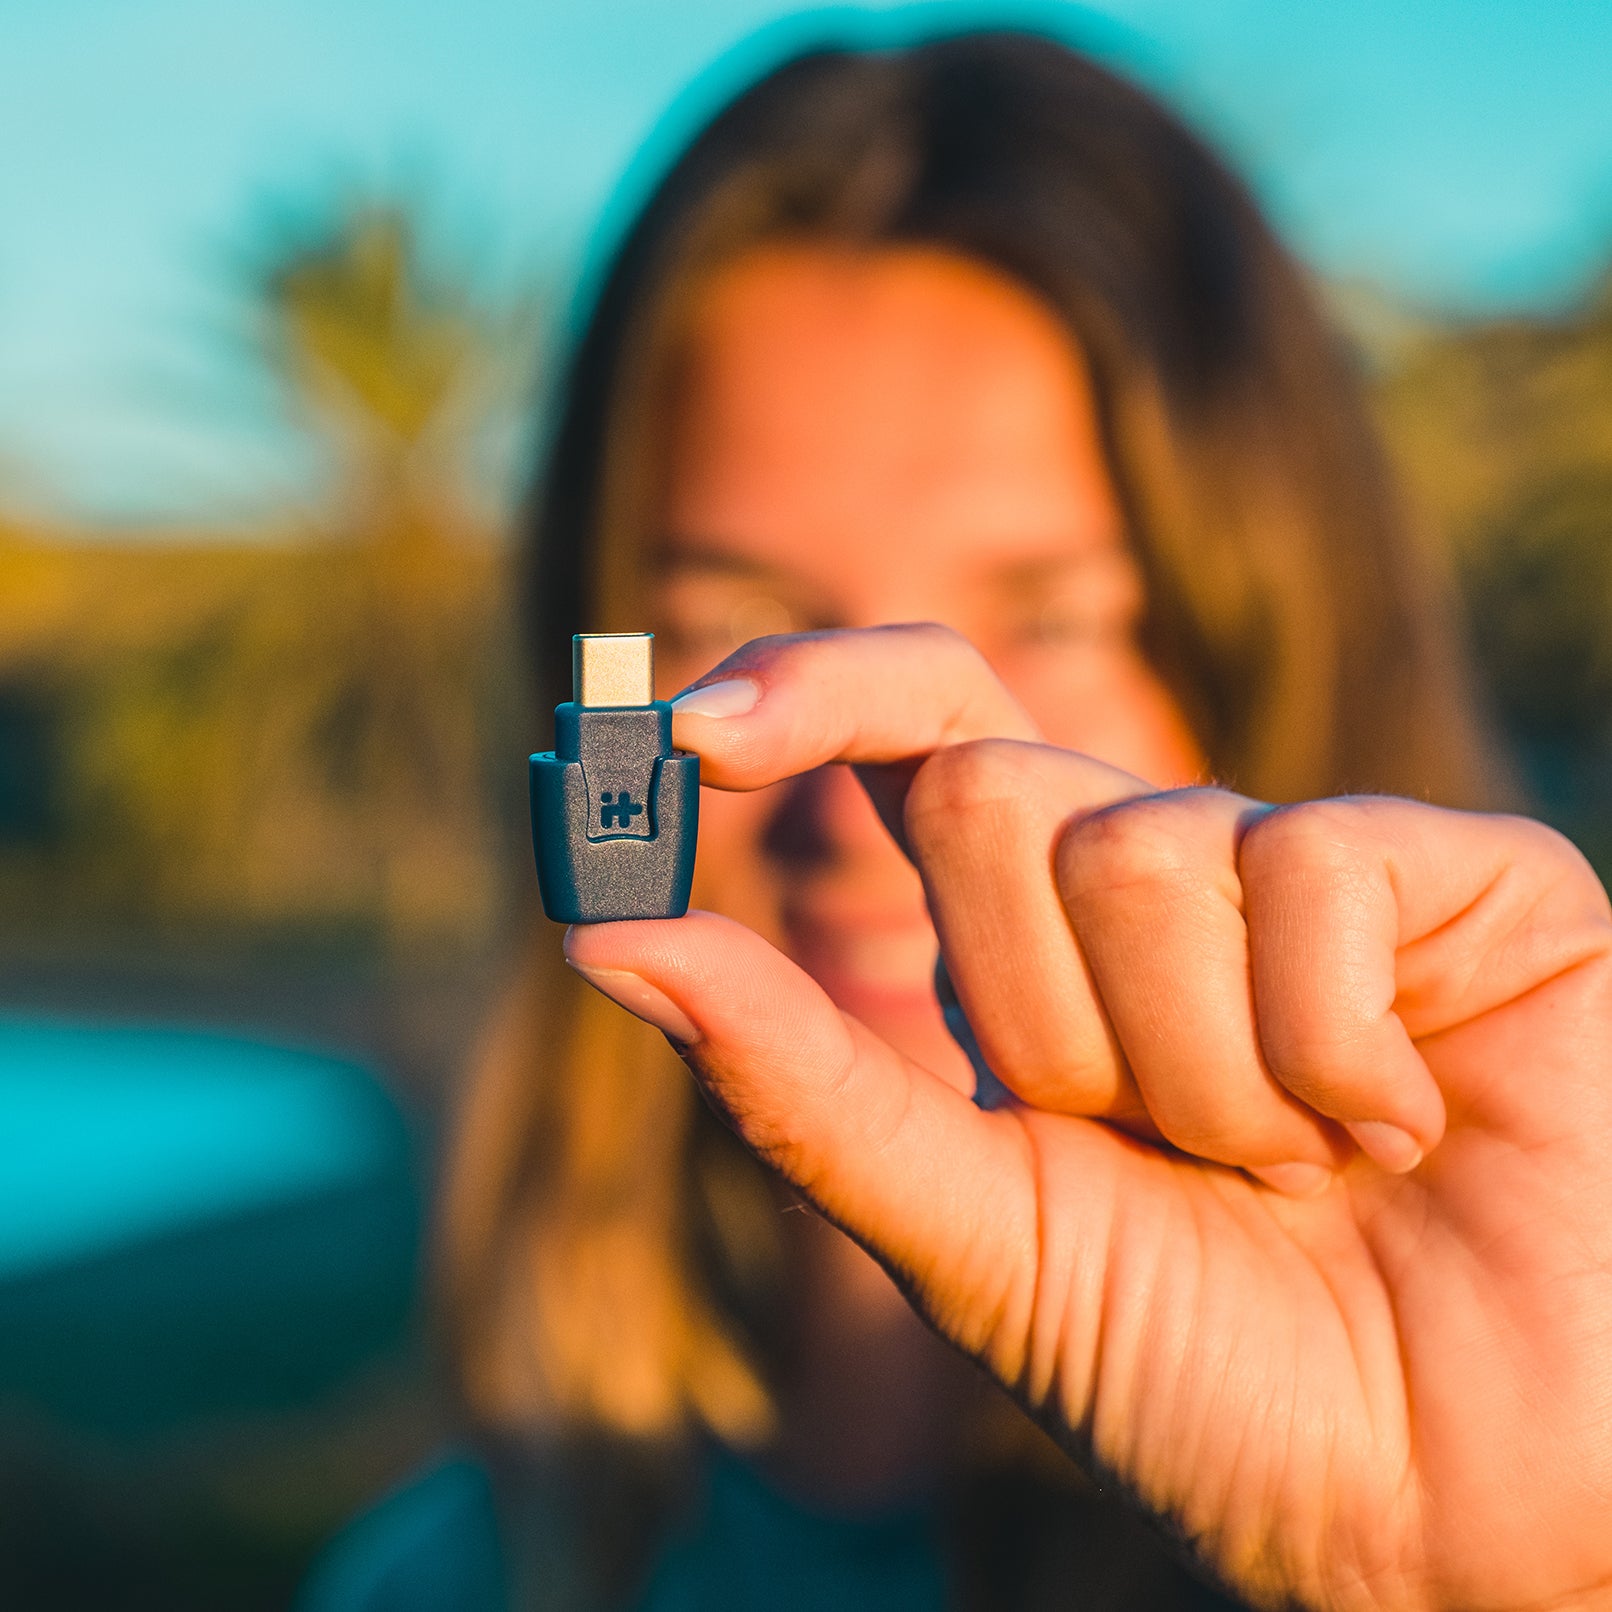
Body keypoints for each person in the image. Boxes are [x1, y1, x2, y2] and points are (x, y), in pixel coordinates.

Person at [304, 24, 1612, 1612]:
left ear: (1278, 660)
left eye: (1049, 620)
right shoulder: (429, 1588)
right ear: (592, 713)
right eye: (739, 626)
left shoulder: (1547, 1479)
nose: (881, 801)